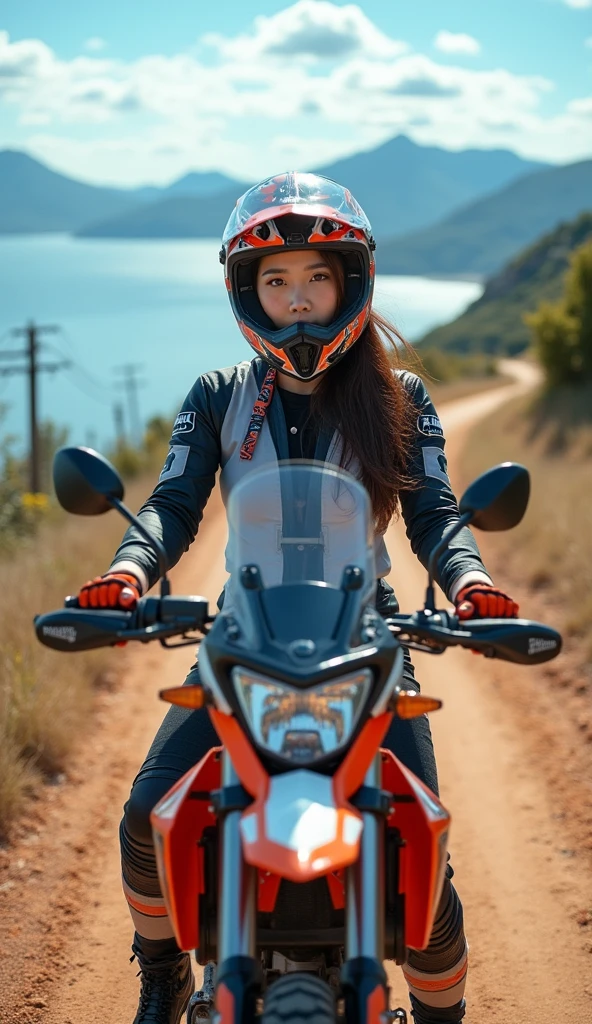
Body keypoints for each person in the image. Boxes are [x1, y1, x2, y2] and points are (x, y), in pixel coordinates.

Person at [76, 172, 519, 1024]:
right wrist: (130, 573)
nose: (299, 300)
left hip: (365, 644)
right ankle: (162, 974)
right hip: (243, 640)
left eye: (316, 277)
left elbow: (435, 516)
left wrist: (471, 582)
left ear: (349, 282)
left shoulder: (402, 396)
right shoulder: (216, 395)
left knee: (422, 856)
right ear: (250, 294)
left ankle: (441, 1016)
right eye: (275, 283)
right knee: (146, 815)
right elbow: (171, 505)